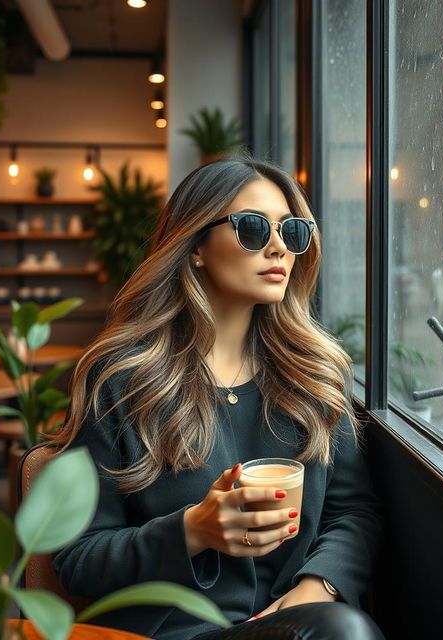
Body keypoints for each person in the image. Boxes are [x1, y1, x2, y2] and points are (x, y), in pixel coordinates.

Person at [52, 157, 385, 640]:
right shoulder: (122, 379)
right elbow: (77, 559)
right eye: (252, 228)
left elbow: (353, 511)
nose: (278, 247)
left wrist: (318, 587)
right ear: (196, 248)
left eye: (292, 232)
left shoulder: (314, 373)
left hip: (295, 623)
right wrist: (193, 530)